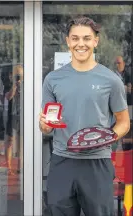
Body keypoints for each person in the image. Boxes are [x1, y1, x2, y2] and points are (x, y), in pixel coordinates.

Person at [39, 16, 130, 216]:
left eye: (87, 38)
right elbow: (48, 125)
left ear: (95, 41)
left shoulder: (111, 80)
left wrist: (106, 138)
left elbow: (124, 122)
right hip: (62, 161)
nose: (81, 44)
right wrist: (44, 125)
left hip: (97, 163)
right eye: (76, 38)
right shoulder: (53, 79)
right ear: (68, 41)